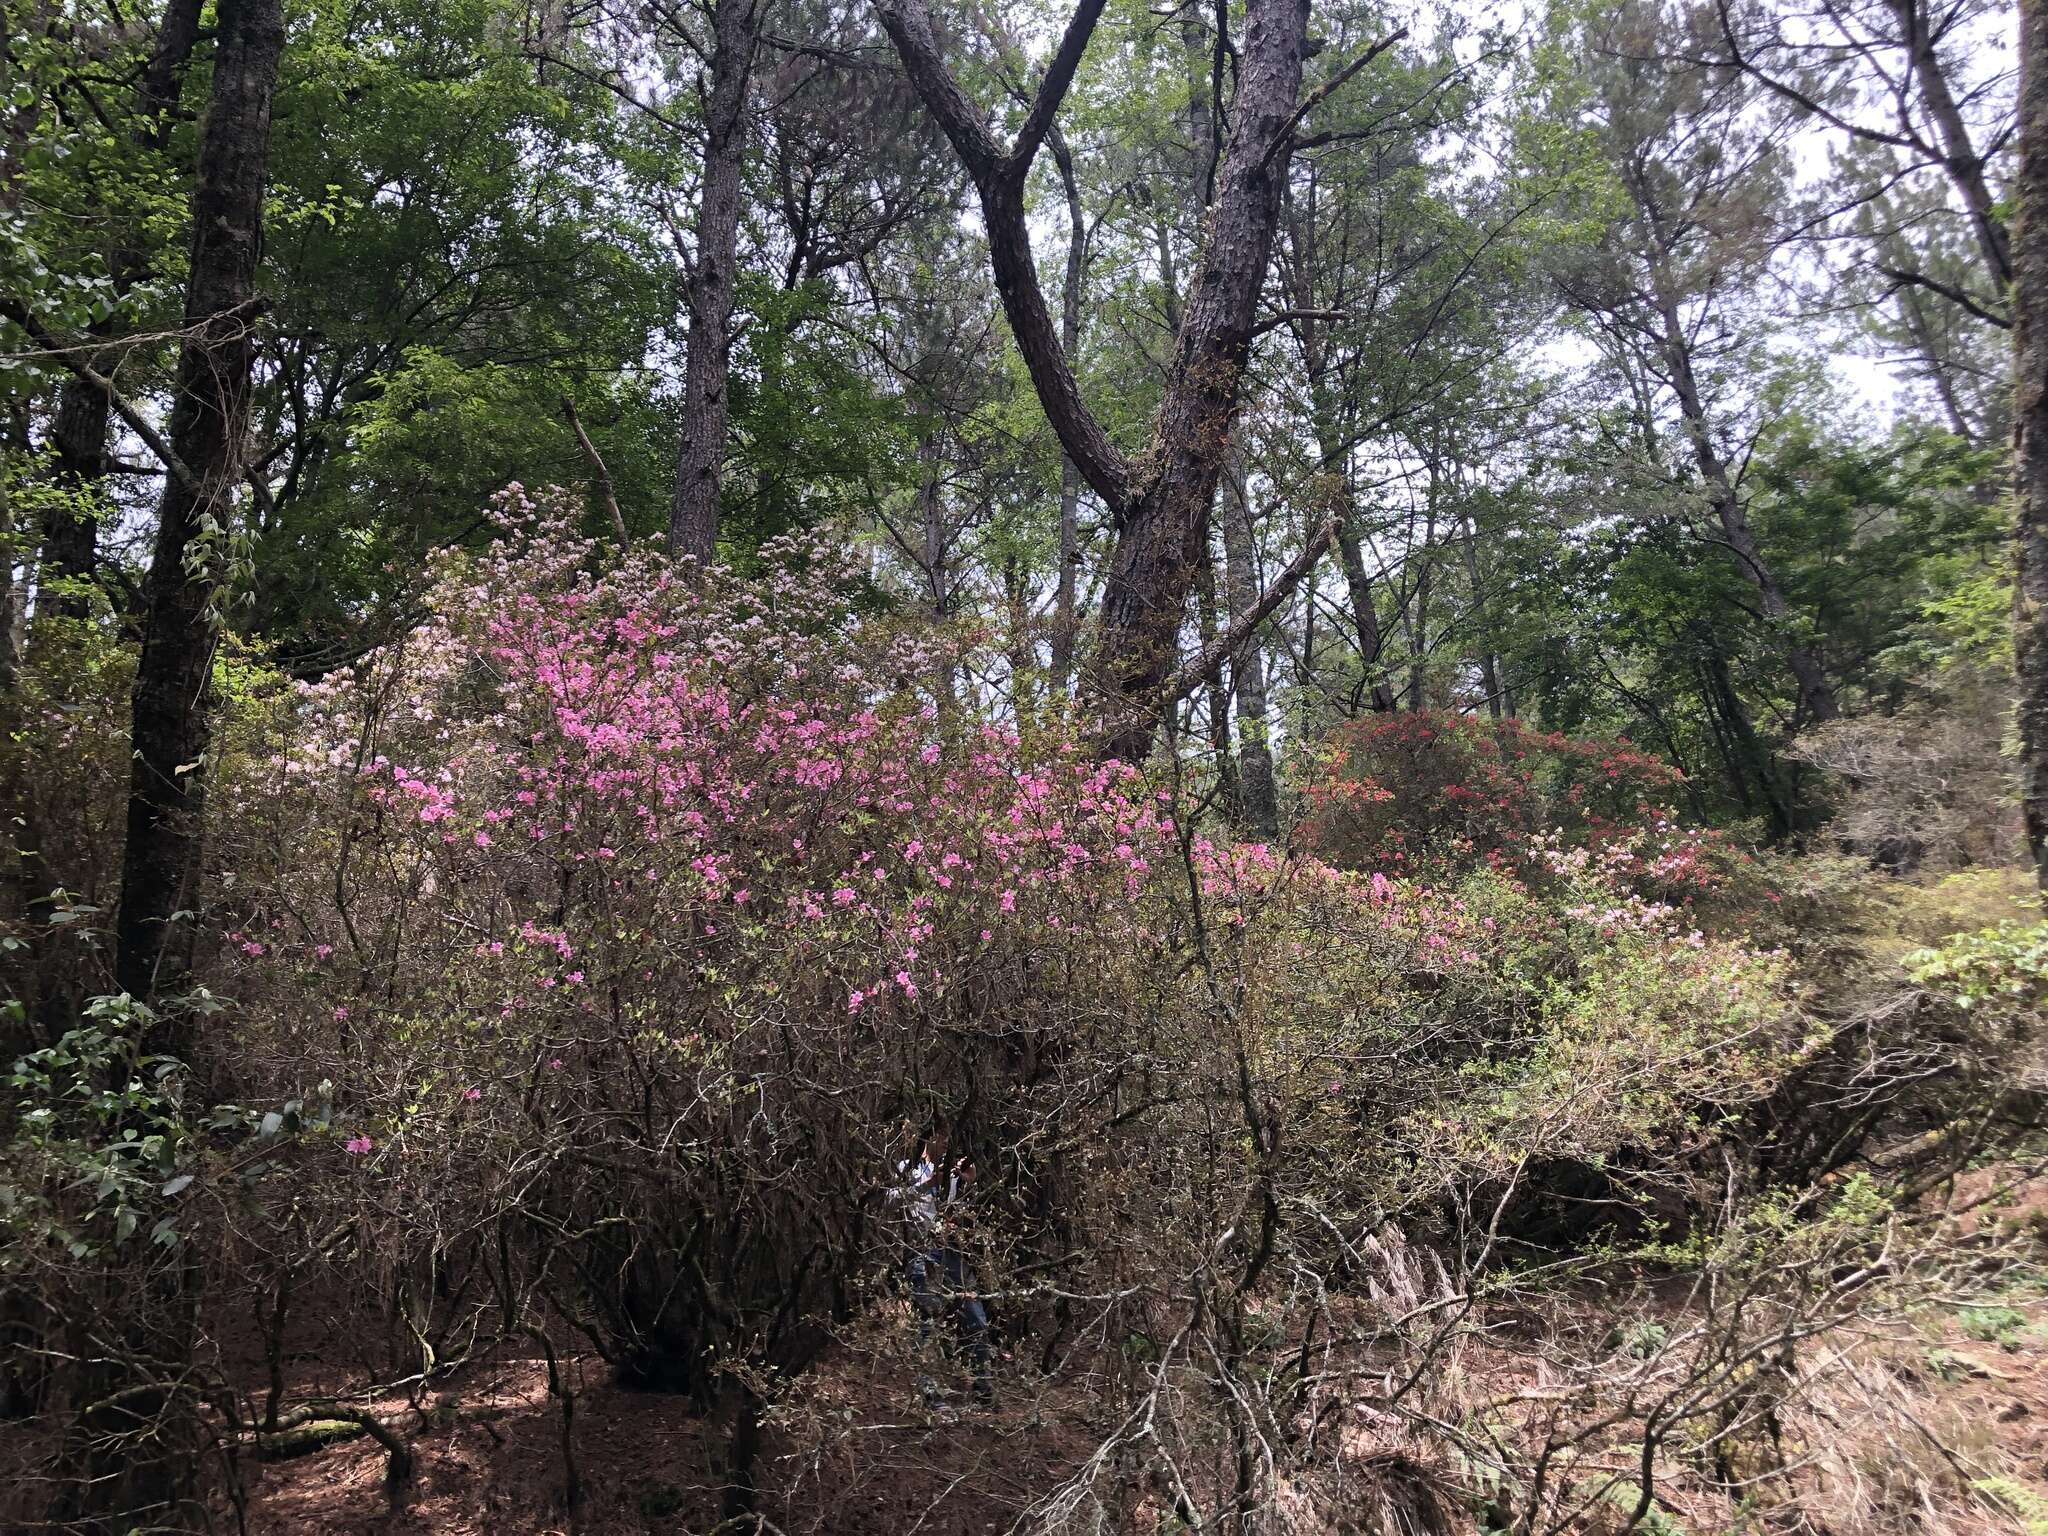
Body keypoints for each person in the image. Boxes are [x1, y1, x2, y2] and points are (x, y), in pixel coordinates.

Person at [893, 1124, 993, 1407]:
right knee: (928, 1320)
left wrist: (967, 1183)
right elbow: (890, 1202)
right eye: (941, 1135)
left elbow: (960, 1214)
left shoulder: (951, 1174)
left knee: (976, 1318)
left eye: (950, 1136)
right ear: (928, 1137)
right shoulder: (907, 1168)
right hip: (919, 1252)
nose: (947, 1141)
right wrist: (927, 1184)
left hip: (950, 1252)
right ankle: (929, 1394)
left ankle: (983, 1388)